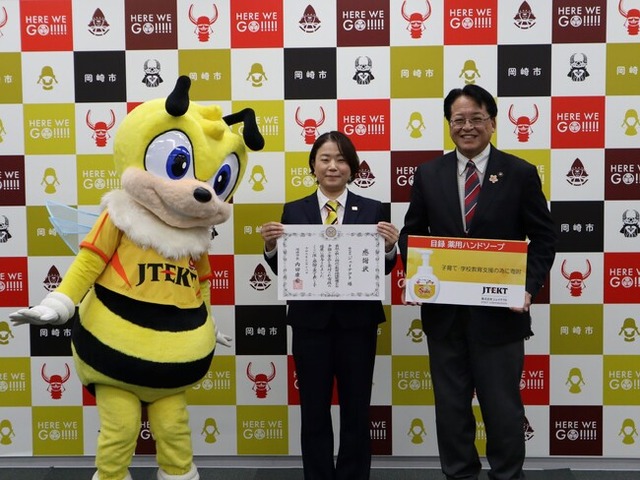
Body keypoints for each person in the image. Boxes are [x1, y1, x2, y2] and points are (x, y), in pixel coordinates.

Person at [398, 85, 556, 480]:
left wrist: (528, 286)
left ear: (493, 122)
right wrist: (417, 275)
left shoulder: (520, 173)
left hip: (501, 316)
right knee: (451, 410)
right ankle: (459, 475)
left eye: (476, 119)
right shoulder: (428, 173)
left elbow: (544, 238)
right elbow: (411, 233)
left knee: (503, 411)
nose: (467, 127)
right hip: (445, 317)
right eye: (459, 120)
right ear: (449, 124)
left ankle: (507, 475)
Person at [260, 131, 398, 480]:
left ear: (352, 167)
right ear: (313, 166)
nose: (333, 166)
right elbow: (284, 269)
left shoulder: (374, 209)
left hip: (358, 325)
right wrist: (272, 248)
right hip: (311, 325)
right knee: (314, 410)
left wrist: (389, 248)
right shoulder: (295, 210)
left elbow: (383, 268)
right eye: (325, 159)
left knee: (357, 409)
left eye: (340, 159)